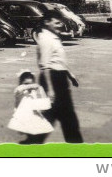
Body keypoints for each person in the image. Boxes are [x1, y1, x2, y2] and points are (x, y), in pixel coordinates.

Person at [35, 10, 83, 143]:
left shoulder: (53, 37)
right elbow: (45, 66)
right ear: (47, 22)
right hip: (53, 79)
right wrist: (50, 90)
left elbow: (58, 60)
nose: (59, 25)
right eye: (56, 22)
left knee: (61, 115)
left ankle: (35, 142)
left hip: (59, 77)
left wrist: (70, 75)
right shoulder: (45, 39)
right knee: (64, 116)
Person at [9, 70, 53, 144]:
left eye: (31, 83)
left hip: (33, 113)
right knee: (28, 128)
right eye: (25, 83)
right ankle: (30, 140)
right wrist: (31, 86)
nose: (28, 86)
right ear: (20, 83)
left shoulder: (33, 91)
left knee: (36, 128)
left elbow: (40, 100)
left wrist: (42, 95)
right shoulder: (19, 90)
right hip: (22, 113)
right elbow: (18, 90)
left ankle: (32, 140)